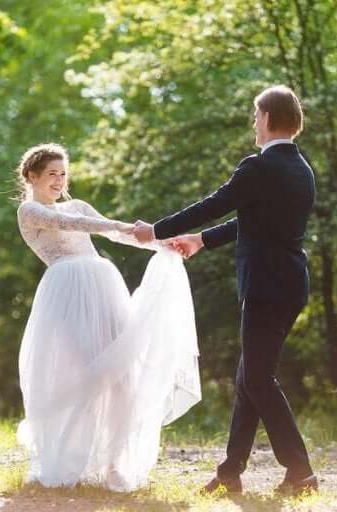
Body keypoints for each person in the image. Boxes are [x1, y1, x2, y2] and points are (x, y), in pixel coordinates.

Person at [133, 85, 319, 496]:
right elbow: (254, 222)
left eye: (256, 115)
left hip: (267, 289)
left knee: (256, 378)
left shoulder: (258, 167)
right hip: (289, 285)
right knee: (250, 377)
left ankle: (301, 472)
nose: (254, 123)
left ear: (268, 118)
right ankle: (230, 471)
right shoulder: (301, 169)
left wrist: (156, 231)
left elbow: (214, 203)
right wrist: (202, 240)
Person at [14, 143, 201, 492]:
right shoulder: (28, 211)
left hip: (104, 287)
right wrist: (112, 223)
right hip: (68, 292)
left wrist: (161, 242)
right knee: (92, 372)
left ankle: (114, 461)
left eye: (63, 174)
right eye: (52, 174)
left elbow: (113, 234)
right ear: (32, 176)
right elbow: (71, 222)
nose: (58, 180)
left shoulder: (79, 204)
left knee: (123, 374)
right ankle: (71, 456)